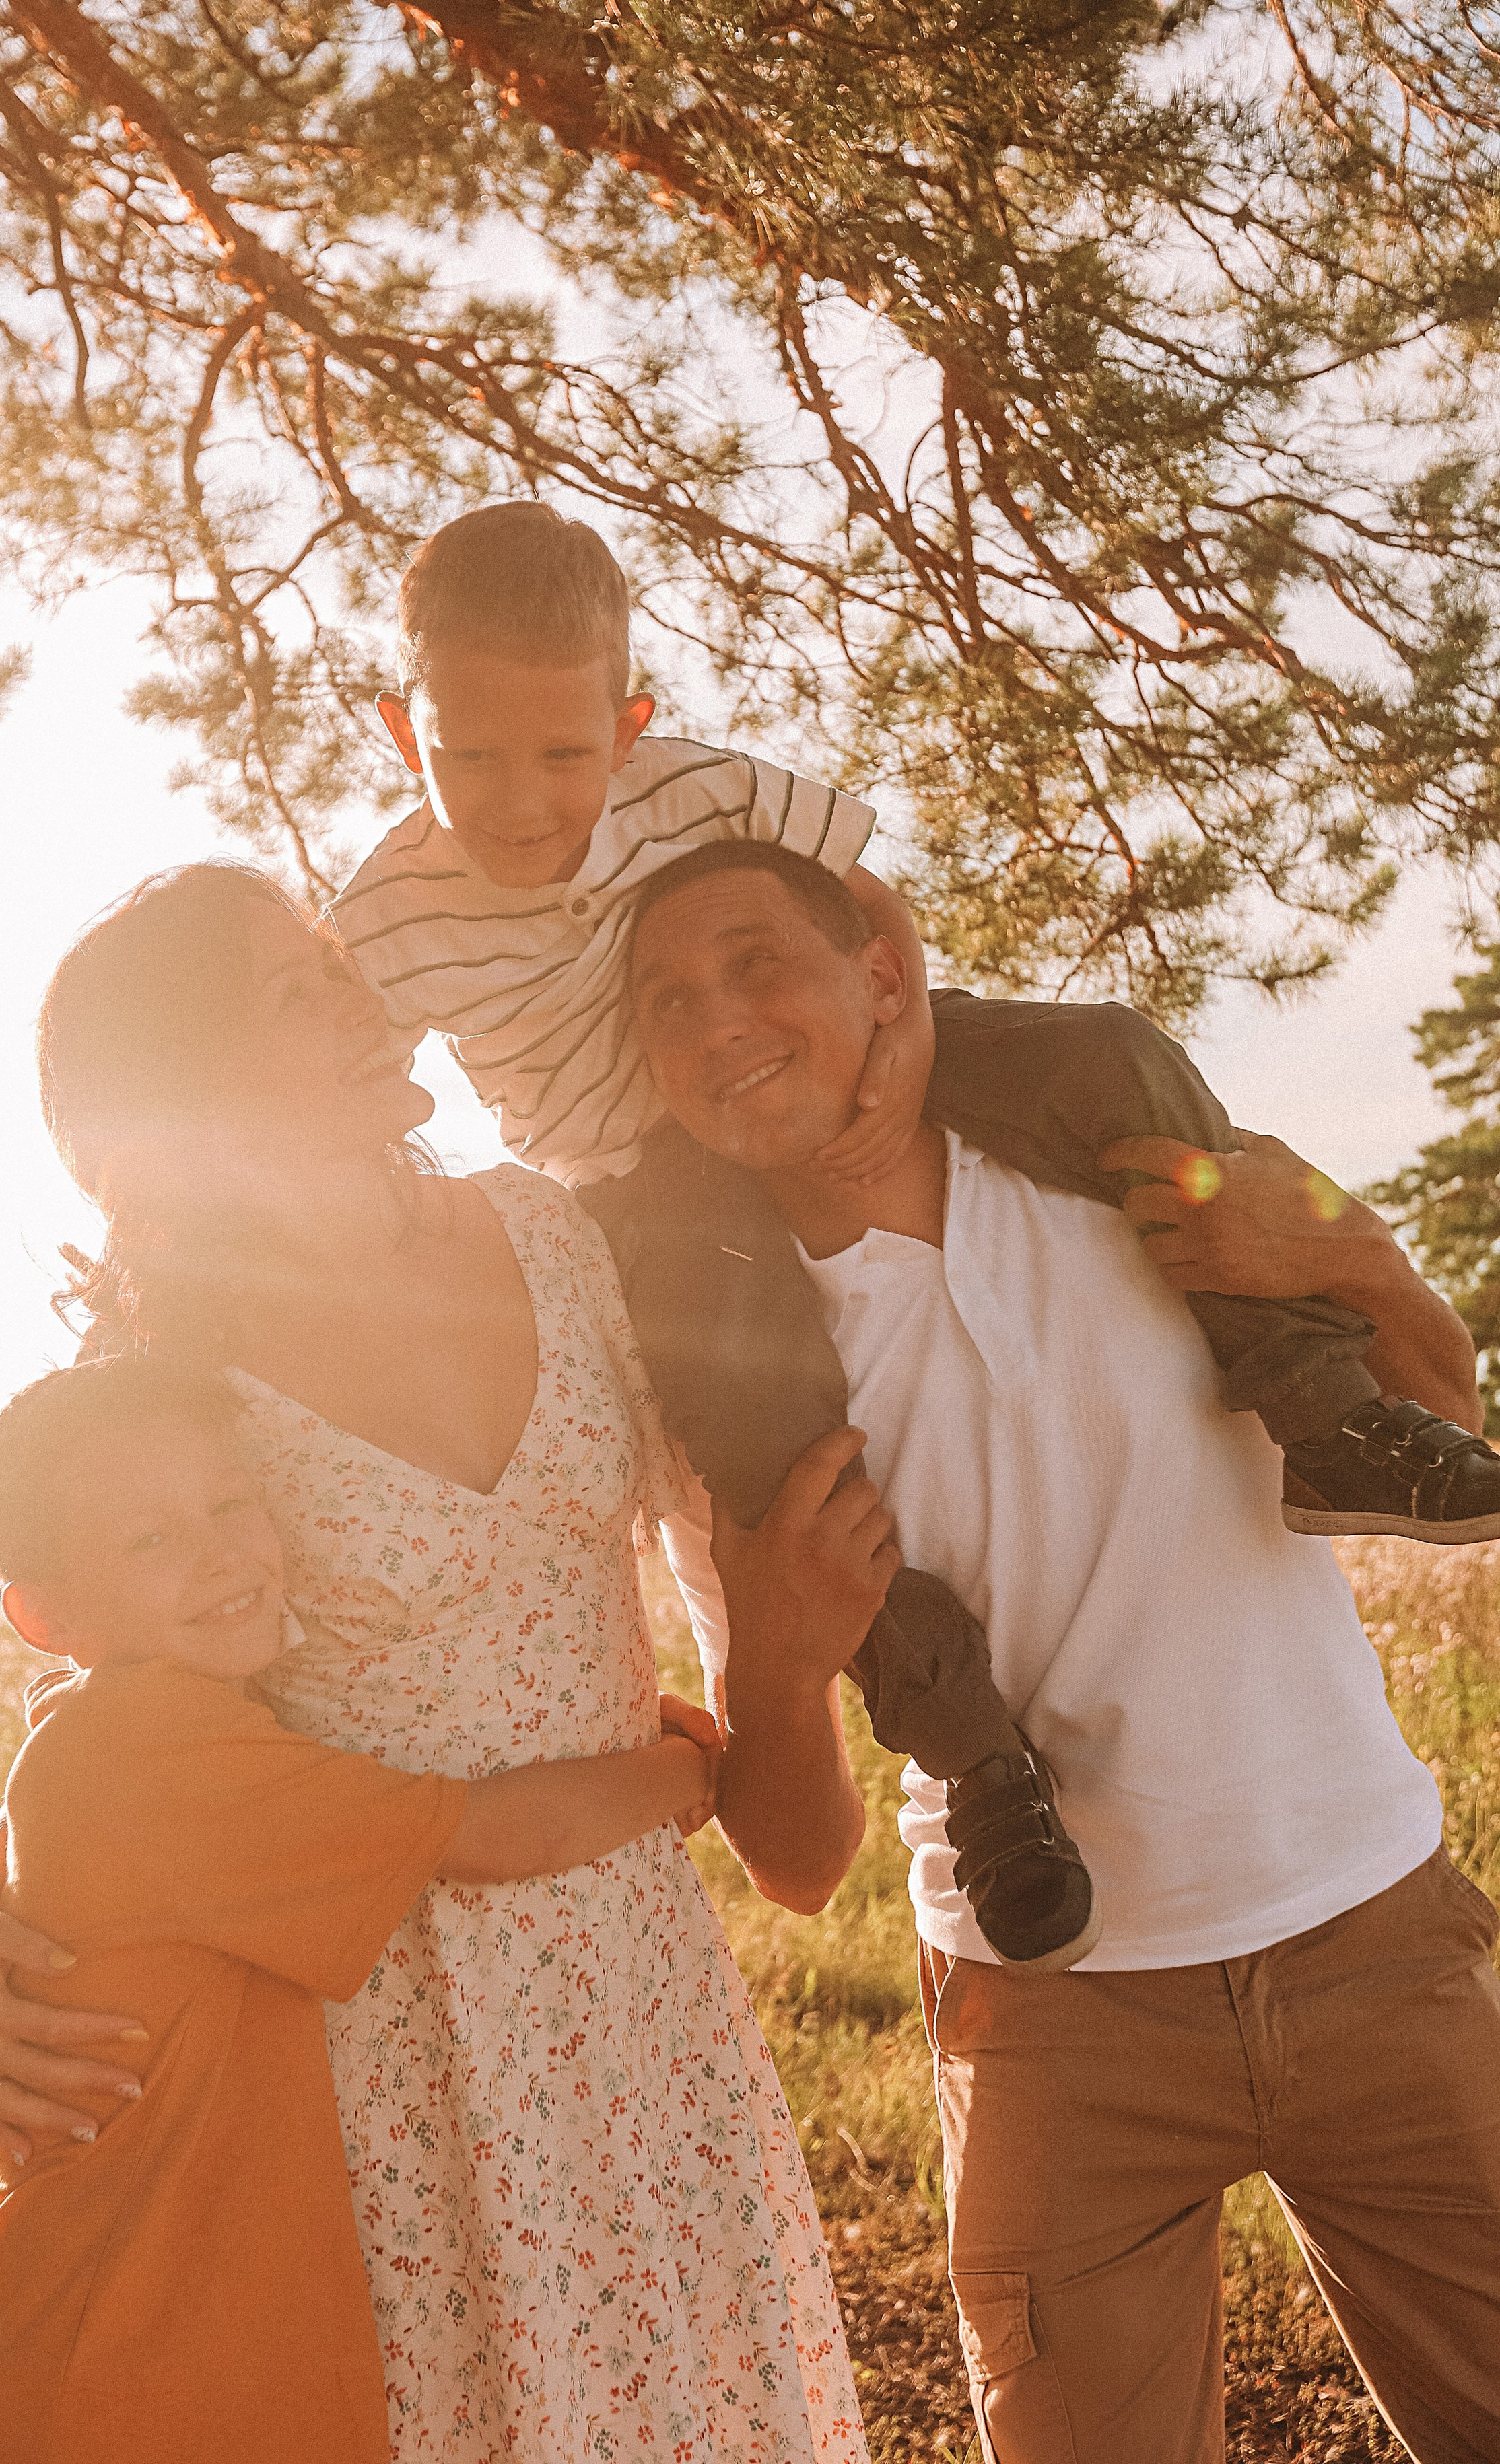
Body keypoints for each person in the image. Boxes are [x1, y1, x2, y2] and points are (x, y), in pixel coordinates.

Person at [330, 500, 1500, 1973]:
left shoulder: (696, 792)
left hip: (900, 1053)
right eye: (469, 757)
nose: (517, 799)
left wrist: (906, 1043)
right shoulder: (382, 913)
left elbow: (860, 899)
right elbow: (336, 1088)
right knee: (774, 1459)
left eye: (562, 754)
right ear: (397, 729)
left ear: (627, 727)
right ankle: (971, 1750)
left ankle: (1326, 1419)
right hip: (645, 1191)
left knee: (1110, 1054)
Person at [0, 861, 883, 2464]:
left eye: (344, 963)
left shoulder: (559, 1238)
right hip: (364, 2042)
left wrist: (768, 1697)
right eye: (302, 990)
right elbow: (112, 1726)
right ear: (191, 1092)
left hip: (634, 2005)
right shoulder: (165, 1370)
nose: (370, 1000)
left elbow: (753, 1645)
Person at [626, 838, 1500, 2464]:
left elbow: (1440, 1405)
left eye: (756, 962)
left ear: (879, 972)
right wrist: (776, 1665)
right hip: (1051, 2007)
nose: (716, 1020)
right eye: (666, 1000)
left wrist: (1328, 1238)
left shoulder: (1132, 1154)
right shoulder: (728, 1392)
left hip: (1371, 1931)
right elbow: (799, 1868)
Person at [0, 1356, 715, 2464]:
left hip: (177, 2328)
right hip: (123, 2357)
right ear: (43, 1616)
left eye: (230, 1503)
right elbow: (498, 1836)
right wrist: (696, 1764)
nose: (220, 1551)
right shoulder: (149, 1750)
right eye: (150, 1540)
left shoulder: (117, 1727)